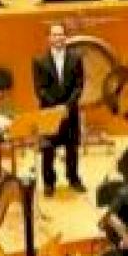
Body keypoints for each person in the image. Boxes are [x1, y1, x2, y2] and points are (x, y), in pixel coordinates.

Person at [34, 22, 86, 197]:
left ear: (66, 36)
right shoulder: (39, 60)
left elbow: (79, 85)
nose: (58, 38)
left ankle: (73, 179)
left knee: (72, 147)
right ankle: (49, 182)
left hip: (70, 110)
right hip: (49, 112)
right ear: (49, 38)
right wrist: (56, 107)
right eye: (55, 35)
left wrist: (67, 106)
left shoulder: (76, 58)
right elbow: (40, 89)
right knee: (48, 149)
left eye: (61, 34)